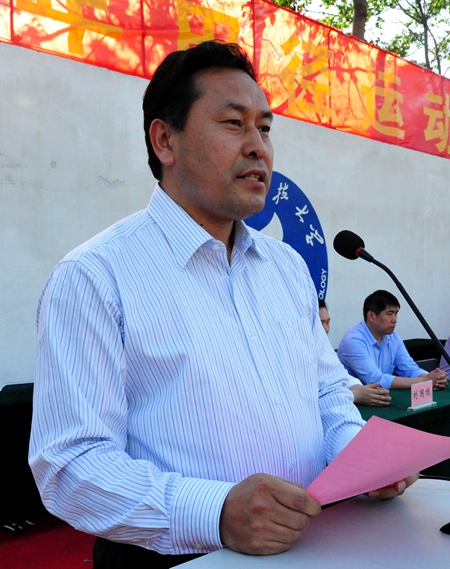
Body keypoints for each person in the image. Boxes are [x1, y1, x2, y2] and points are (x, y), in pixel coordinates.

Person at [29, 41, 417, 569]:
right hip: (175, 558)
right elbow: (70, 465)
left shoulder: (286, 268)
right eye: (234, 124)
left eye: (265, 128)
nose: (259, 148)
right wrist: (214, 511)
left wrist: (357, 457)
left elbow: (326, 390)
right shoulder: (95, 277)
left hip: (309, 542)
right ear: (165, 140)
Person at [337, 290, 449, 390]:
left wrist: (433, 377)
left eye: (396, 314)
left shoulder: (392, 337)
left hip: (380, 398)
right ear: (371, 316)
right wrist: (425, 381)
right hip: (353, 401)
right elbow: (375, 380)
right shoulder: (353, 340)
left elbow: (409, 368)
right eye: (389, 314)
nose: (394, 320)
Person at [318, 299, 391, 406]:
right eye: (320, 323)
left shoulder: (325, 348)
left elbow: (342, 376)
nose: (326, 329)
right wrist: (354, 395)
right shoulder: (352, 339)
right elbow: (315, 395)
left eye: (328, 322)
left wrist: (361, 390)